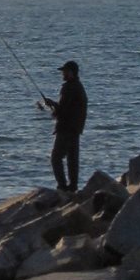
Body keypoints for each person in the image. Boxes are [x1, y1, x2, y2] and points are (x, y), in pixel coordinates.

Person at [43, 60, 87, 193]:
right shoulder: (79, 87)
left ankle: (62, 186)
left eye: (65, 71)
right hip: (75, 129)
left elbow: (63, 110)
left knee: (56, 158)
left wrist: (52, 107)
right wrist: (53, 105)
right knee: (72, 159)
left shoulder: (68, 87)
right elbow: (69, 108)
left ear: (71, 72)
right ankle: (72, 187)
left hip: (66, 129)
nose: (63, 74)